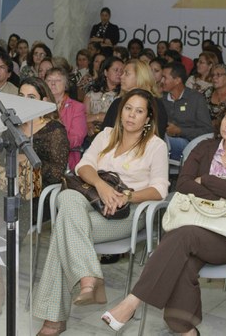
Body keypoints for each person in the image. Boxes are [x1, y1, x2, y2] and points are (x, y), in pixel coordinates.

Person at [102, 98, 226, 333]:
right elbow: (183, 184)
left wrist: (206, 180)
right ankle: (187, 331)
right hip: (194, 224)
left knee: (182, 236)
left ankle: (132, 302)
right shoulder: (204, 148)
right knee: (183, 264)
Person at [32, 89, 169, 336]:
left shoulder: (155, 146)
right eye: (128, 109)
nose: (131, 115)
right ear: (121, 111)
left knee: (64, 228)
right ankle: (88, 276)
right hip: (94, 198)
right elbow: (84, 166)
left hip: (129, 211)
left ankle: (55, 318)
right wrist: (102, 186)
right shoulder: (106, 135)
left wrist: (126, 196)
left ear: (148, 118)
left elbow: (160, 189)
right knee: (67, 198)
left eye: (139, 111)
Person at [0, 77, 70, 319]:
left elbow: (56, 173)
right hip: (5, 187)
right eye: (21, 96)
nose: (25, 101)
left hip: (35, 197)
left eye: (31, 97)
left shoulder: (54, 130)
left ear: (44, 100)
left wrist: (26, 162)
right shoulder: (11, 126)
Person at [102, 59, 168, 138]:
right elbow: (104, 133)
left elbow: (157, 136)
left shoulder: (155, 105)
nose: (121, 77)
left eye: (127, 73)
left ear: (140, 77)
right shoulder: (118, 103)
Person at [162, 62, 213, 161]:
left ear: (177, 80)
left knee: (158, 143)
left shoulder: (196, 99)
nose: (161, 81)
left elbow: (207, 130)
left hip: (189, 143)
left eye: (165, 78)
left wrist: (180, 131)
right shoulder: (162, 98)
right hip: (165, 139)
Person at [45, 66, 87, 170]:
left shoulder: (77, 107)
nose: (53, 83)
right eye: (49, 80)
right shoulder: (39, 105)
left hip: (65, 159)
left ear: (66, 85)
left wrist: (53, 145)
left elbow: (77, 138)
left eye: (58, 80)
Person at [84, 56, 123, 138]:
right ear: (105, 72)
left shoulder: (123, 95)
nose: (119, 73)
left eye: (122, 71)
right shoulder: (91, 95)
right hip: (93, 135)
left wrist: (94, 117)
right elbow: (83, 117)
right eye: (116, 70)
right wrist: (90, 124)